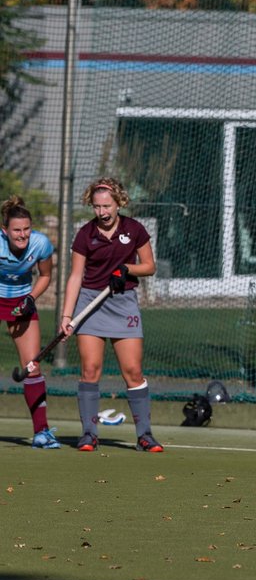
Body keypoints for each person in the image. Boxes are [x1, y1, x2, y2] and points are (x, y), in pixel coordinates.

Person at [59, 177, 163, 453]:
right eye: (96, 206)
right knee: (90, 370)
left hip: (123, 302)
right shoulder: (85, 234)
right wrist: (67, 316)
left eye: (107, 206)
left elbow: (149, 266)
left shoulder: (135, 229)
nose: (102, 212)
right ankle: (89, 434)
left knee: (133, 371)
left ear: (119, 203)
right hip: (91, 303)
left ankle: (145, 436)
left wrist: (126, 269)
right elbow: (75, 276)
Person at [0, 197, 60, 449]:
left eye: (26, 229)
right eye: (16, 230)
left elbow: (45, 275)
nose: (22, 235)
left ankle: (41, 433)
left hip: (21, 300)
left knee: (32, 366)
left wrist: (31, 298)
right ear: (5, 230)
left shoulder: (40, 243)